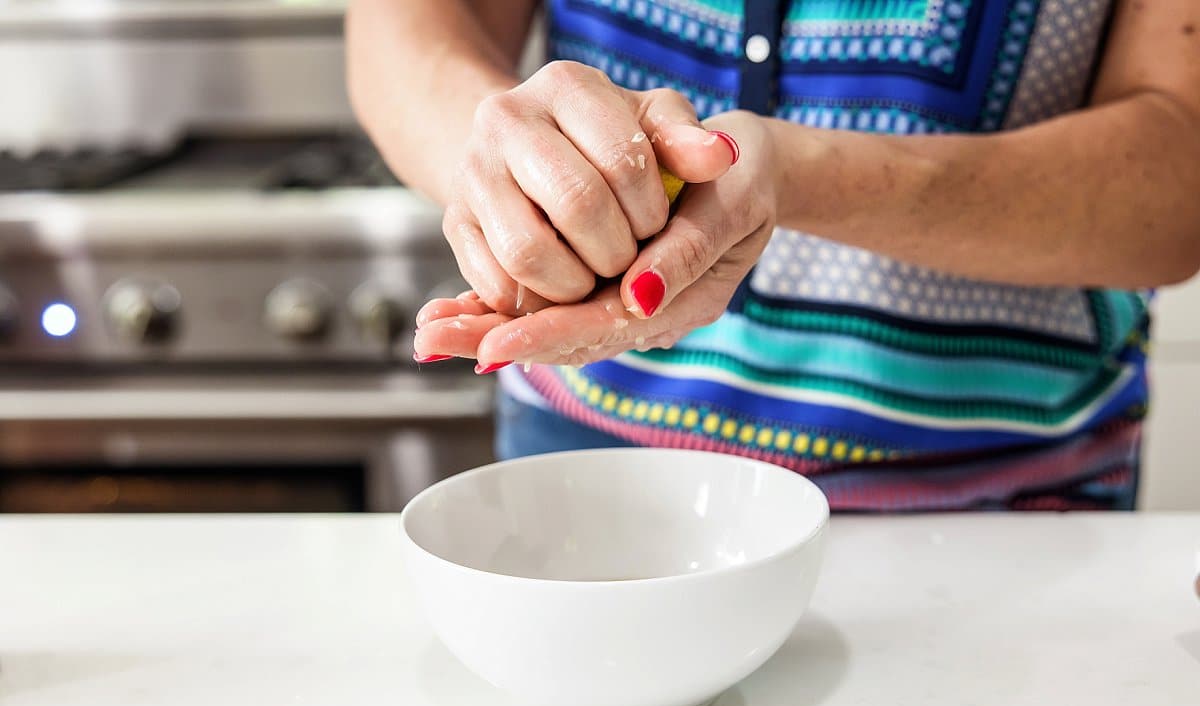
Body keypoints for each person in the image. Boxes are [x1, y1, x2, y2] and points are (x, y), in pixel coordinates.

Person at [347, 0, 1200, 511]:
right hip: (584, 473)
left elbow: (1177, 180)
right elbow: (407, 28)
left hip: (1002, 502)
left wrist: (794, 176)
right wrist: (514, 165)